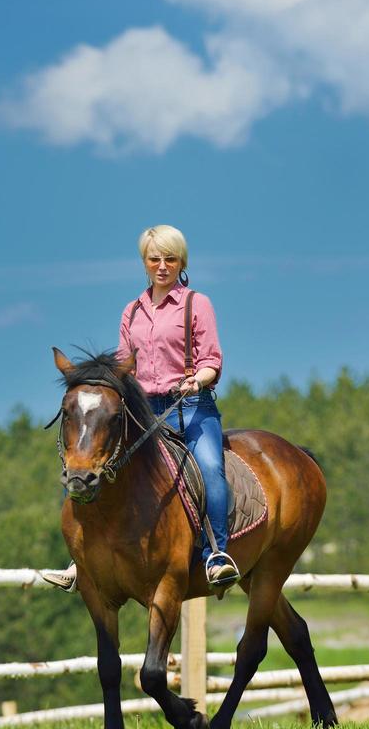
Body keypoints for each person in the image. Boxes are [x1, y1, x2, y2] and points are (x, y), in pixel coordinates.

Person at [49, 224, 239, 593]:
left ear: (181, 261)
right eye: (155, 259)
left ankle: (217, 553)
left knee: (211, 468)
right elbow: (124, 366)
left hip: (190, 406)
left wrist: (197, 379)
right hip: (144, 412)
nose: (162, 265)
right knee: (92, 463)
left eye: (170, 258)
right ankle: (82, 558)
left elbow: (212, 358)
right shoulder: (131, 311)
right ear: (145, 263)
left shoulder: (196, 304)